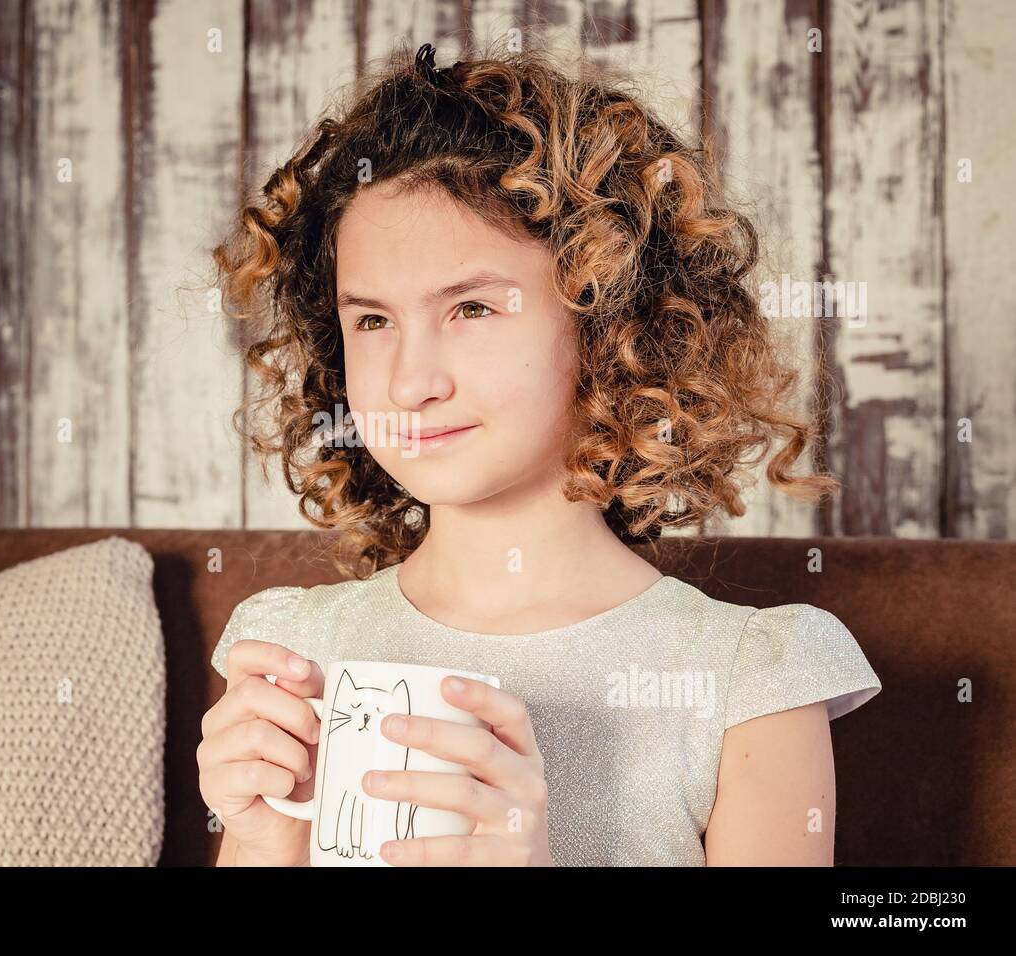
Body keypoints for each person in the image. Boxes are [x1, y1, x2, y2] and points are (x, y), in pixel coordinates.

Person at [197, 41, 881, 866]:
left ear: (609, 325)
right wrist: (265, 836)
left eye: (474, 308)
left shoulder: (747, 679)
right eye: (373, 321)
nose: (412, 382)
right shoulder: (289, 652)